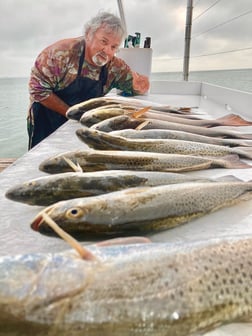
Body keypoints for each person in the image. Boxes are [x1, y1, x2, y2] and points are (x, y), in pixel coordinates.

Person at [27, 11, 150, 149]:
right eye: (104, 41)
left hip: (82, 122)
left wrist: (139, 84)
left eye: (114, 47)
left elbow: (135, 85)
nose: (107, 51)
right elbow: (37, 90)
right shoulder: (60, 54)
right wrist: (73, 115)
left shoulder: (114, 67)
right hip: (47, 120)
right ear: (89, 34)